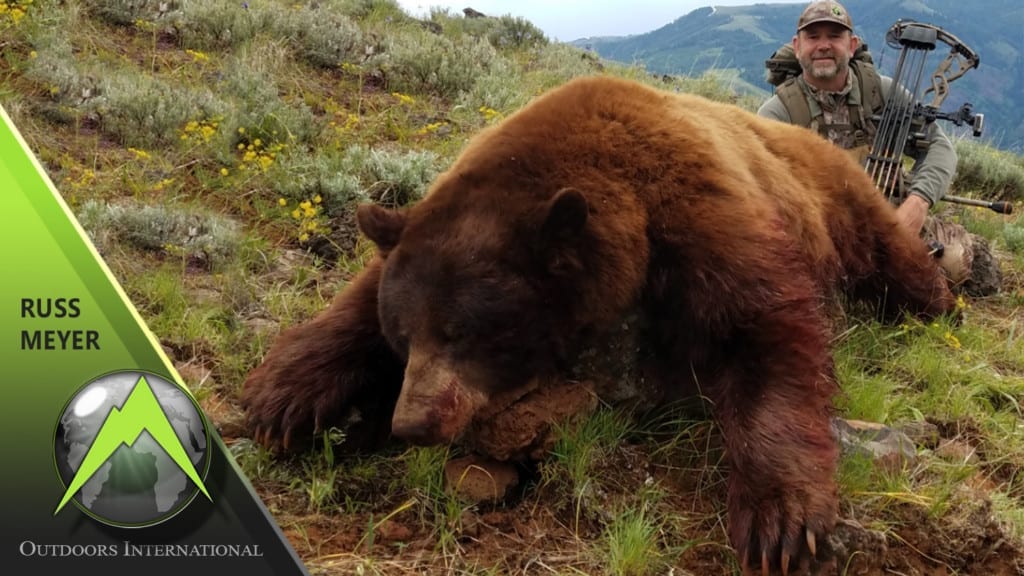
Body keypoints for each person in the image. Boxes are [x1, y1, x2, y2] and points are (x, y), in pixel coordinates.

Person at [758, 0, 1000, 296]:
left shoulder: (881, 92)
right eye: (813, 36)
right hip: (819, 231)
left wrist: (918, 202)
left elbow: (938, 146)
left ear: (851, 44)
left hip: (891, 220)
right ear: (797, 46)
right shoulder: (778, 114)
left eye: (834, 36)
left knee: (953, 266)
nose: (823, 45)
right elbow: (761, 191)